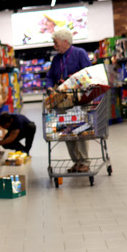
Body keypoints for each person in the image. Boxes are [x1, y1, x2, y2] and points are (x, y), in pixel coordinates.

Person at [47, 27, 93, 172]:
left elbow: (88, 74)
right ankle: (76, 161)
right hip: (62, 100)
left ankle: (84, 161)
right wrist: (49, 87)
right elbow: (50, 76)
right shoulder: (56, 59)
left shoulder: (79, 53)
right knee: (67, 131)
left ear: (65, 41)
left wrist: (75, 81)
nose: (54, 46)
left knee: (80, 129)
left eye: (56, 43)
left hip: (79, 99)